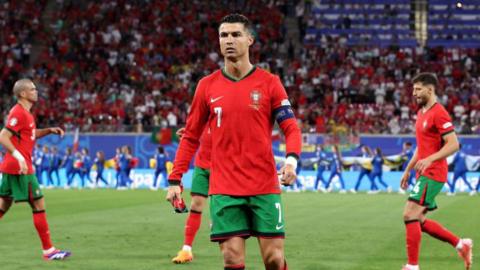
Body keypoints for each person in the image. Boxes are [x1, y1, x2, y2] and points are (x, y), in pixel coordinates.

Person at [166, 14, 301, 270]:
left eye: (236, 35)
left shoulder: (270, 83)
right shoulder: (206, 86)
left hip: (263, 185)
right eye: (224, 35)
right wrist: (175, 179)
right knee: (231, 258)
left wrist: (292, 162)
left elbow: (291, 128)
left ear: (250, 40)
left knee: (273, 259)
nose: (229, 40)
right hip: (224, 187)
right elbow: (190, 136)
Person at [400, 73, 472, 270]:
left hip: (434, 173)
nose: (414, 93)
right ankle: (461, 244)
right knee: (419, 220)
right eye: (413, 89)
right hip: (422, 173)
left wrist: (430, 159)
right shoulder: (422, 111)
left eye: (418, 89)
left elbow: (454, 144)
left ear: (430, 90)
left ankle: (412, 266)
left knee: (409, 214)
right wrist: (407, 169)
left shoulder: (439, 113)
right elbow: (421, 147)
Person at [0, 78, 71, 260]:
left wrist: (48, 130)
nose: (36, 91)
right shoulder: (19, 113)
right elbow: (3, 136)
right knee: (38, 204)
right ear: (22, 94)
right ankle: (49, 251)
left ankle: (49, 251)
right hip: (20, 168)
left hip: (11, 167)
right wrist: (19, 158)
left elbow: (30, 134)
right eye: (32, 89)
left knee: (3, 205)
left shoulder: (26, 114)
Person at [172, 127, 212, 264]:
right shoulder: (203, 112)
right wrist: (192, 132)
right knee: (196, 204)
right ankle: (186, 250)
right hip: (201, 166)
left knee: (221, 208)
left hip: (223, 166)